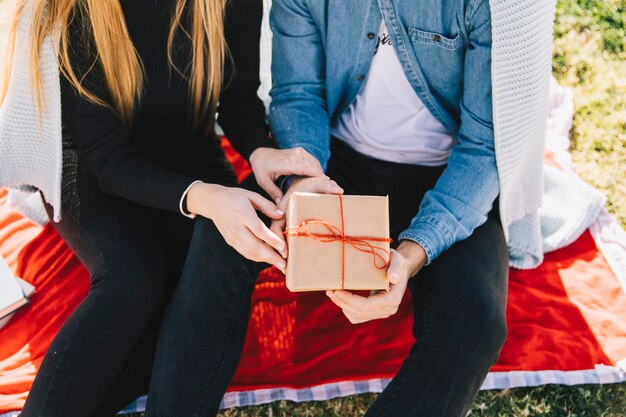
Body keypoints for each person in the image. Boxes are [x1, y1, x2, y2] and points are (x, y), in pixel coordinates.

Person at [1, 0, 326, 416]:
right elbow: (108, 159)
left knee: (219, 259)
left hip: (187, 144)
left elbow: (238, 98)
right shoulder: (70, 9)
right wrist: (205, 197)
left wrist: (260, 151)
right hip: (88, 160)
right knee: (134, 279)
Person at [268, 0, 512, 415]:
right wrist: (305, 182)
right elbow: (298, 93)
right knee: (222, 238)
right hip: (333, 162)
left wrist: (414, 252)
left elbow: (485, 145)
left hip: (445, 173)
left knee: (475, 321)